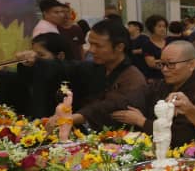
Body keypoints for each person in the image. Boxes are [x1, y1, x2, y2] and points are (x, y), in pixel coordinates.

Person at [18, 19, 147, 130]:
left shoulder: (133, 78)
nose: (91, 50)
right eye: (91, 44)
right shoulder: (95, 67)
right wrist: (35, 62)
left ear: (119, 47)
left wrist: (72, 118)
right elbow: (64, 68)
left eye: (98, 46)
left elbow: (107, 106)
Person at [112, 41, 195, 147]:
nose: (164, 69)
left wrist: (142, 121)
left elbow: (183, 136)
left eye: (171, 64)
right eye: (162, 64)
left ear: (191, 64)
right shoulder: (160, 86)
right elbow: (134, 100)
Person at [141, 15, 169, 81]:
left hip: (169, 76)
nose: (162, 29)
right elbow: (151, 64)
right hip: (154, 78)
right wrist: (167, 61)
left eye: (164, 26)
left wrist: (159, 61)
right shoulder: (147, 44)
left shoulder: (169, 42)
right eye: (159, 26)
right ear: (152, 28)